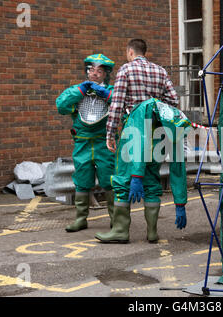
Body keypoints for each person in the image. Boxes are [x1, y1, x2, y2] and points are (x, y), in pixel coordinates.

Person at [95, 39, 188, 243]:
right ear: (144, 52)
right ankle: (152, 232)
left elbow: (117, 104)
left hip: (134, 131)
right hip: (157, 133)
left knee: (123, 179)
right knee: (151, 180)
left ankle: (120, 231)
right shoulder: (161, 72)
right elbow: (173, 101)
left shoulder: (126, 70)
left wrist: (110, 134)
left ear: (130, 52)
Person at [56, 53, 116, 232]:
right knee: (81, 180)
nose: (95, 73)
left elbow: (124, 103)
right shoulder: (77, 90)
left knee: (110, 179)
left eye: (99, 70)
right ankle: (81, 219)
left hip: (104, 142)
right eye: (91, 69)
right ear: (87, 71)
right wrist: (80, 90)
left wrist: (106, 94)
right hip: (82, 143)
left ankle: (116, 220)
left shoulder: (113, 90)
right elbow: (61, 106)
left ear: (106, 73)